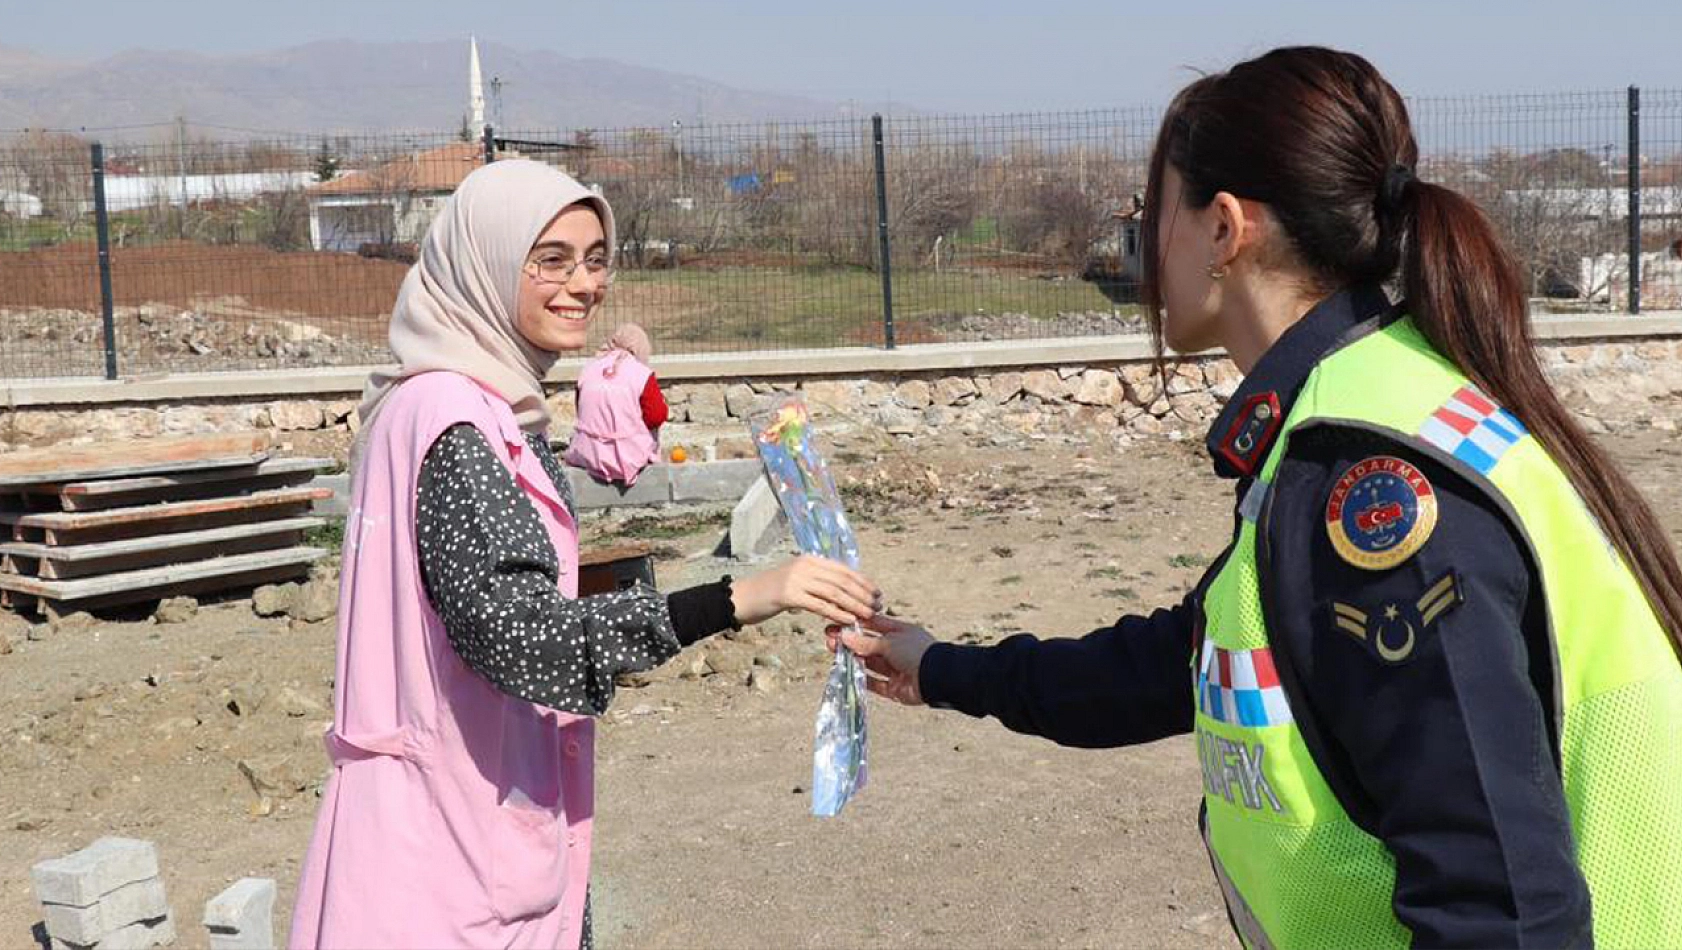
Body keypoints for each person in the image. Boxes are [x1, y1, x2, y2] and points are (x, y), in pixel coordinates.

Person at [836, 47, 1682, 949]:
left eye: (1154, 211)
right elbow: (1188, 660)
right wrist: (940, 668)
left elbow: (1502, 909)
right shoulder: (1367, 400)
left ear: (1225, 228)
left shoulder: (1373, 488)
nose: (1142, 244)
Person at [289, 160, 879, 950]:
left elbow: (512, 532)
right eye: (550, 259)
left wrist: (616, 408)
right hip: (452, 853)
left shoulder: (446, 400)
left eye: (595, 258)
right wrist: (746, 596)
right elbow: (521, 636)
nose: (582, 284)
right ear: (486, 262)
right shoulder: (458, 425)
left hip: (441, 825)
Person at [564, 322, 666, 487]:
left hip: (587, 452)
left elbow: (581, 409)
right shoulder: (641, 374)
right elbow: (656, 417)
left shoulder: (589, 369)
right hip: (628, 456)